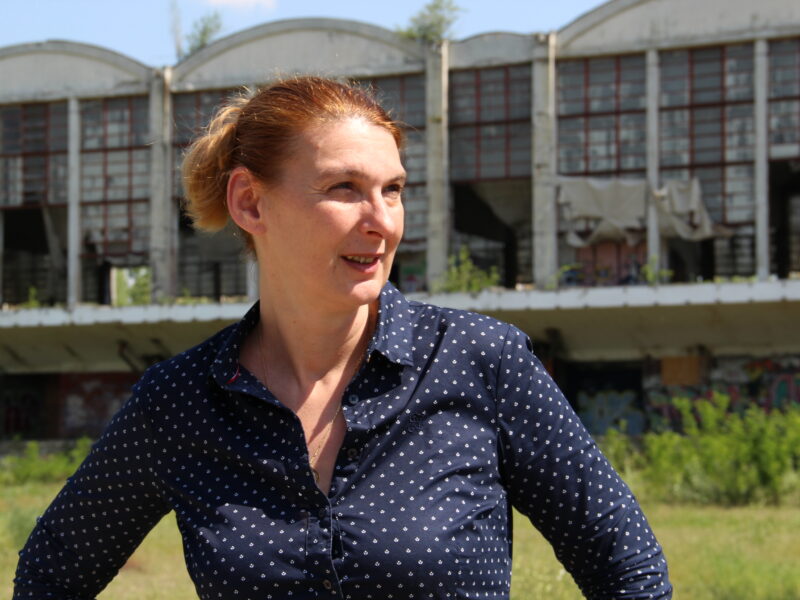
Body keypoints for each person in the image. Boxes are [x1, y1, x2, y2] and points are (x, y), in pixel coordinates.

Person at [14, 76, 672, 599]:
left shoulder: (481, 362)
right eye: (345, 188)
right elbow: (50, 575)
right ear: (250, 202)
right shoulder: (181, 402)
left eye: (393, 190)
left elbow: (628, 568)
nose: (382, 221)